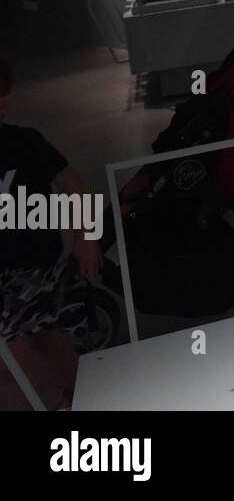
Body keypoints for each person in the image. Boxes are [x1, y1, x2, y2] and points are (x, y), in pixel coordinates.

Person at [0, 55, 101, 410]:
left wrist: (85, 238)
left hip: (32, 265)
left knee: (13, 354)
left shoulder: (24, 143)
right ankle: (83, 394)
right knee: (42, 331)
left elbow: (72, 184)